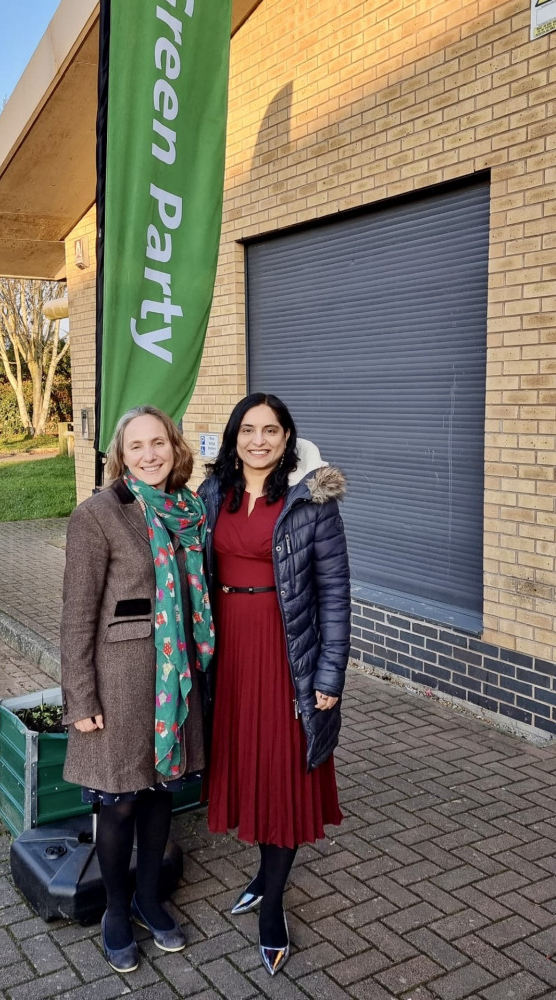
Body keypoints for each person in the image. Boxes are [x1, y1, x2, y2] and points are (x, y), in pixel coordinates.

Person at [199, 392, 350, 977]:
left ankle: (273, 908)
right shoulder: (215, 495)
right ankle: (263, 875)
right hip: (229, 653)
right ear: (235, 437)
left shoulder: (311, 502)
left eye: (271, 430)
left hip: (289, 654)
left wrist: (329, 673)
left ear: (288, 439)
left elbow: (334, 594)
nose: (259, 440)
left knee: (282, 771)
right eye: (249, 430)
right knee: (246, 763)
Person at [60, 405, 214, 973]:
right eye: (136, 446)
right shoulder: (98, 514)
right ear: (119, 457)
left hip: (176, 682)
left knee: (158, 795)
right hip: (121, 682)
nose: (149, 455)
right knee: (120, 802)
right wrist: (81, 699)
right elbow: (76, 616)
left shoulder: (189, 510)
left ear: (174, 448)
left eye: (159, 443)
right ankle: (117, 910)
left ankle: (151, 898)